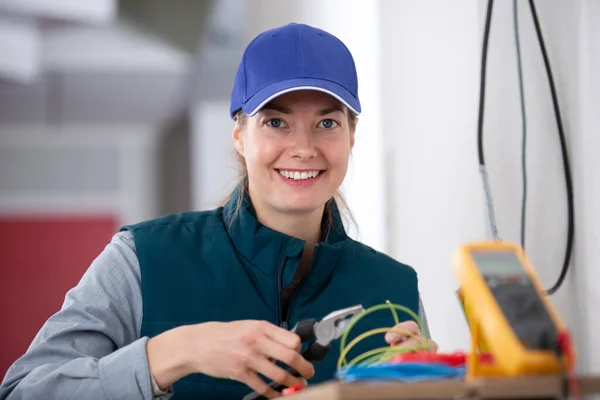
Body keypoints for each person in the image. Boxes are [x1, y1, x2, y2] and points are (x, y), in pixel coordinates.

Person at [0, 22, 436, 400]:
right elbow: (25, 391)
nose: (304, 149)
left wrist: (436, 387)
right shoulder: (141, 258)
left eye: (327, 123)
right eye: (275, 121)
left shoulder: (394, 290)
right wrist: (175, 352)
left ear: (351, 138)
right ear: (240, 136)